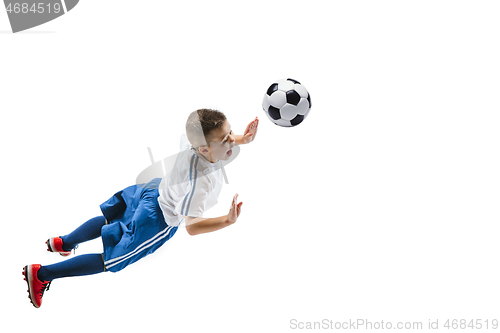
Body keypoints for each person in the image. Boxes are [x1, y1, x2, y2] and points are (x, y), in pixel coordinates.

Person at [22, 109, 259, 308]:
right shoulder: (201, 183)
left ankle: (64, 242)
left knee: (109, 221)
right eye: (225, 139)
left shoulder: (194, 143)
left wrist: (242, 139)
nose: (232, 140)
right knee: (111, 260)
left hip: (151, 192)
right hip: (157, 220)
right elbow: (192, 227)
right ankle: (41, 274)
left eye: (231, 133)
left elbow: (215, 140)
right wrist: (227, 221)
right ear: (205, 149)